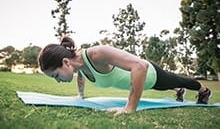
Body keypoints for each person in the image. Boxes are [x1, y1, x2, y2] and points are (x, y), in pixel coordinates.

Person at [38, 36, 212, 115]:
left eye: (55, 75)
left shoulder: (97, 54)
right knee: (166, 85)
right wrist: (80, 95)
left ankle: (204, 91)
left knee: (177, 79)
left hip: (149, 74)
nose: (58, 81)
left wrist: (130, 107)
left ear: (66, 63)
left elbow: (140, 66)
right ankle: (178, 90)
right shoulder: (80, 67)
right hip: (145, 83)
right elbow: (81, 76)